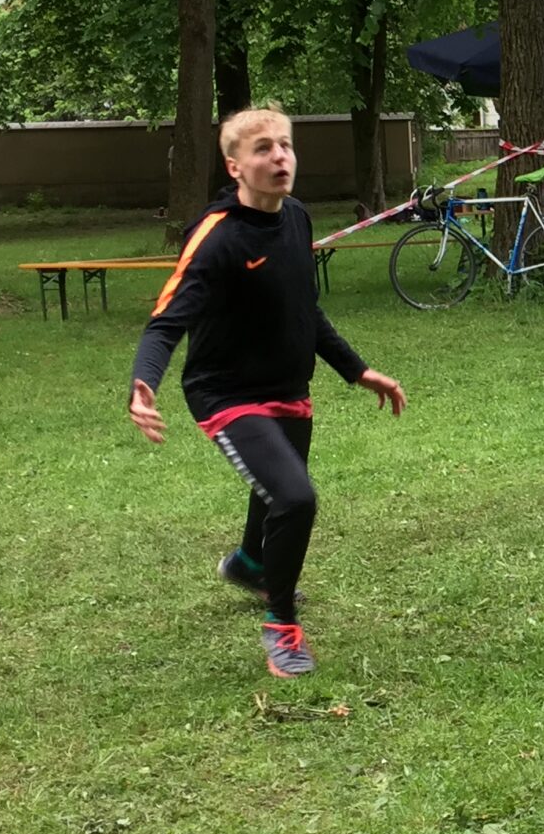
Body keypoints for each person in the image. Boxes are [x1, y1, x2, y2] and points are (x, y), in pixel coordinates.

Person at [129, 107, 407, 679]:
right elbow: (166, 321)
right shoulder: (216, 237)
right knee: (295, 497)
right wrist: (143, 383)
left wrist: (357, 371)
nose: (280, 157)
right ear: (235, 166)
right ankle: (281, 626)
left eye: (285, 145)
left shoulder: (297, 218)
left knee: (275, 487)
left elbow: (304, 308)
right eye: (263, 148)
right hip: (226, 394)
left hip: (288, 387)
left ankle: (250, 564)